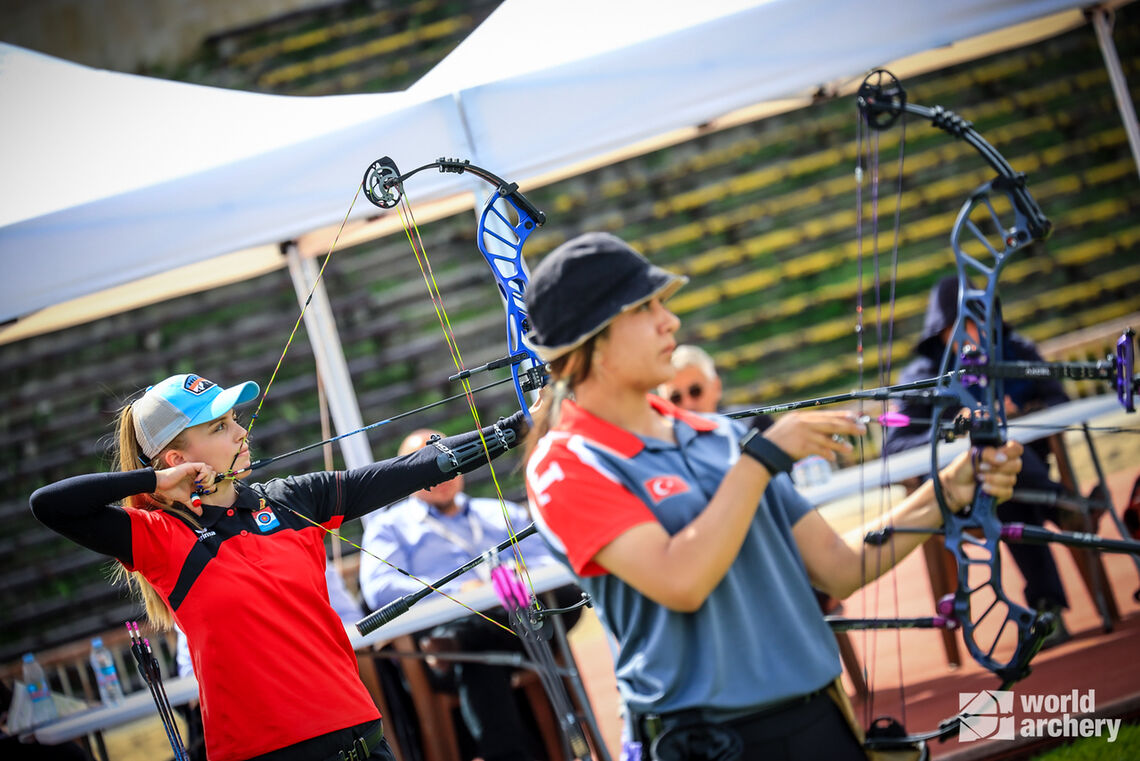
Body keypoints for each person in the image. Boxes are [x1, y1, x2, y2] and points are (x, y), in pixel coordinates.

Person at [520, 232, 1024, 760]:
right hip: (707, 743)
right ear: (593, 339)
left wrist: (949, 489)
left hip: (820, 718)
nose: (669, 321)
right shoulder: (565, 465)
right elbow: (681, 580)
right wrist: (761, 462)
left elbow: (838, 566)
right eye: (646, 308)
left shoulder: (717, 435)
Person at [29, 373, 528, 761]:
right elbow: (50, 505)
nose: (241, 432)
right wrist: (152, 481)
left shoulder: (290, 500)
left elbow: (409, 470)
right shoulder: (161, 538)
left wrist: (515, 428)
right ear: (178, 457)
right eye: (219, 427)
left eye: (234, 420)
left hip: (357, 732)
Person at [882, 275, 1071, 647]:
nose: (974, 331)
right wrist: (956, 430)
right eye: (962, 324)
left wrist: (1020, 410)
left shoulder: (1017, 354)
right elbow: (894, 446)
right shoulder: (919, 378)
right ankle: (1064, 505)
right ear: (941, 332)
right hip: (955, 495)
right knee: (1000, 472)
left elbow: (1061, 403)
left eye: (980, 321)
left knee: (1005, 484)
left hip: (1008, 481)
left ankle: (1046, 607)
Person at [359, 429, 567, 761]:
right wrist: (457, 592)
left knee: (560, 602)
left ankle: (461, 638)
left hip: (520, 623)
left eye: (451, 460)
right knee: (478, 659)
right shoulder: (389, 527)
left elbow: (547, 558)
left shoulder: (497, 510)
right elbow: (381, 588)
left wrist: (523, 574)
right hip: (446, 644)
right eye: (431, 465)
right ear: (406, 473)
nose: (444, 472)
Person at [656, 345, 773, 432]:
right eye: (675, 397)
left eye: (695, 391)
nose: (688, 404)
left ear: (716, 387)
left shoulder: (752, 421)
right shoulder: (663, 449)